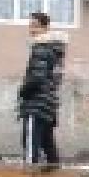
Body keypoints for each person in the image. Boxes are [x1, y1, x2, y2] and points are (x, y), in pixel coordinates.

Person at [16, 11, 65, 165]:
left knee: (31, 145)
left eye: (35, 26)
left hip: (36, 104)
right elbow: (56, 79)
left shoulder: (41, 47)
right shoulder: (56, 50)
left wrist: (23, 91)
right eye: (30, 25)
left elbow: (37, 77)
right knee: (48, 144)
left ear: (45, 28)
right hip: (48, 103)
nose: (31, 29)